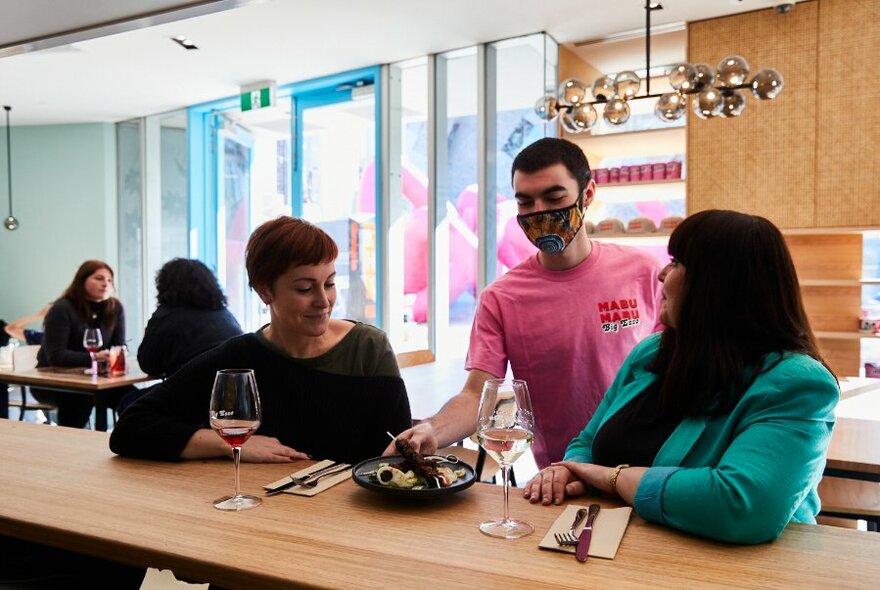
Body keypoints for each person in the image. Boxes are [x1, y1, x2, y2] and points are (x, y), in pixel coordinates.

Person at [524, 209, 839, 545]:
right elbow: (587, 441)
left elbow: (742, 506)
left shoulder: (798, 384)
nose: (662, 274)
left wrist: (611, 478)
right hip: (626, 551)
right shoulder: (652, 352)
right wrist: (571, 470)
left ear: (716, 285)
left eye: (676, 262)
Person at [386, 137, 664, 468]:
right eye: (525, 202)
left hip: (650, 465)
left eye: (553, 197)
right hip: (562, 476)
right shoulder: (501, 298)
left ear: (587, 194)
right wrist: (434, 429)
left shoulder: (644, 272)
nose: (539, 212)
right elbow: (477, 395)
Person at [110, 216, 411, 465]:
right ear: (265, 291)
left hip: (353, 523)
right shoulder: (238, 358)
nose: (324, 301)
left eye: (330, 284)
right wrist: (229, 444)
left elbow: (398, 456)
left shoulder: (368, 349)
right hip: (262, 521)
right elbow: (131, 427)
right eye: (305, 289)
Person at [33, 260, 131, 428]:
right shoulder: (62, 308)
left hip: (97, 380)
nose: (105, 284)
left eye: (109, 280)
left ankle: (130, 445)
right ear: (82, 280)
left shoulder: (115, 308)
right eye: (99, 278)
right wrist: (94, 357)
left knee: (135, 400)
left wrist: (118, 354)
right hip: (54, 382)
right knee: (80, 400)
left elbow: (119, 346)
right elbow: (56, 356)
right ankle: (71, 450)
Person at [137, 258, 243, 378]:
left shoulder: (166, 318)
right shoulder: (225, 316)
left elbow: (148, 365)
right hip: (232, 390)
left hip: (189, 392)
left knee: (129, 397)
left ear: (165, 286)